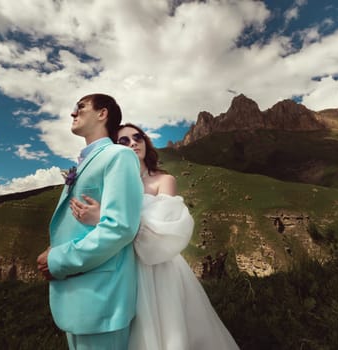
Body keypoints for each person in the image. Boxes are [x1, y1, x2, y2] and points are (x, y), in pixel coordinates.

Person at [70, 123, 240, 350]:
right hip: (121, 265)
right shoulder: (112, 184)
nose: (133, 143)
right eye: (124, 140)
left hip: (157, 269)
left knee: (165, 333)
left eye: (137, 137)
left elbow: (164, 230)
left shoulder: (163, 180)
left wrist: (104, 218)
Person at [37, 95, 144, 350]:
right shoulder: (86, 161)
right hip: (79, 298)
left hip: (101, 299)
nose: (73, 114)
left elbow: (119, 227)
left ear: (102, 114)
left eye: (80, 107)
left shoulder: (119, 156)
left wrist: (58, 259)